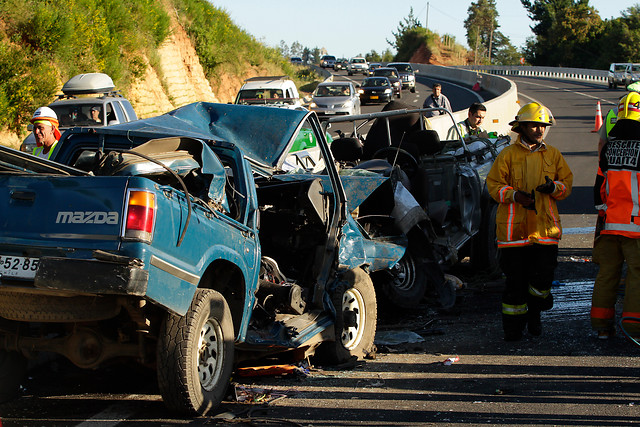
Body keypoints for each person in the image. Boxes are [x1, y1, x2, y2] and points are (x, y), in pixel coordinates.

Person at [486, 102, 573, 341]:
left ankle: (536, 310)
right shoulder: (507, 155)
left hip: (545, 230)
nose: (539, 130)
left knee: (543, 279)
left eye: (542, 126)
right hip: (513, 234)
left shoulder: (553, 154)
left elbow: (566, 185)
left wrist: (552, 187)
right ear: (521, 127)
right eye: (534, 125)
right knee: (515, 285)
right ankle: (513, 330)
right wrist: (515, 195)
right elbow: (493, 186)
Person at [591, 91, 640, 340]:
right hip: (637, 228)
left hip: (610, 226)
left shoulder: (608, 149)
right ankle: (634, 327)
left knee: (607, 274)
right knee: (637, 275)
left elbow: (598, 192)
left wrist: (604, 216)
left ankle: (601, 325)